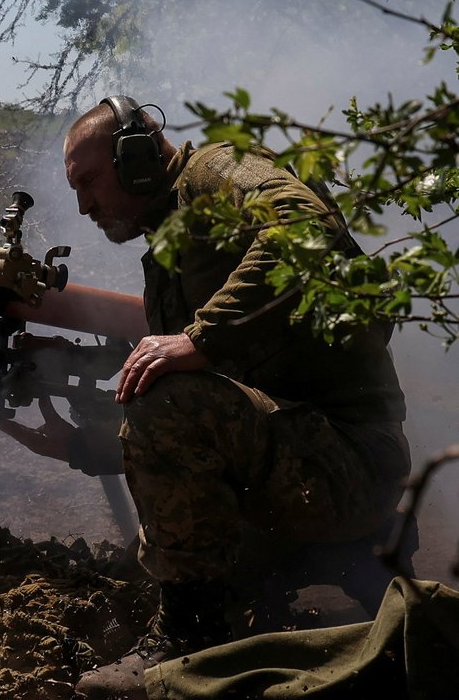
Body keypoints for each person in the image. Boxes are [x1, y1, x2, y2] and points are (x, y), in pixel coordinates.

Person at [60, 96, 411, 699]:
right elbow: (208, 428)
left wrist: (201, 338)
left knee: (170, 402)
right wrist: (76, 442)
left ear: (137, 158)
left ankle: (187, 643)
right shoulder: (168, 248)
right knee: (141, 566)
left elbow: (307, 227)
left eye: (90, 181)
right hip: (298, 462)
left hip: (350, 464)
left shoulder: (215, 172)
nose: (84, 204)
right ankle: (334, 559)